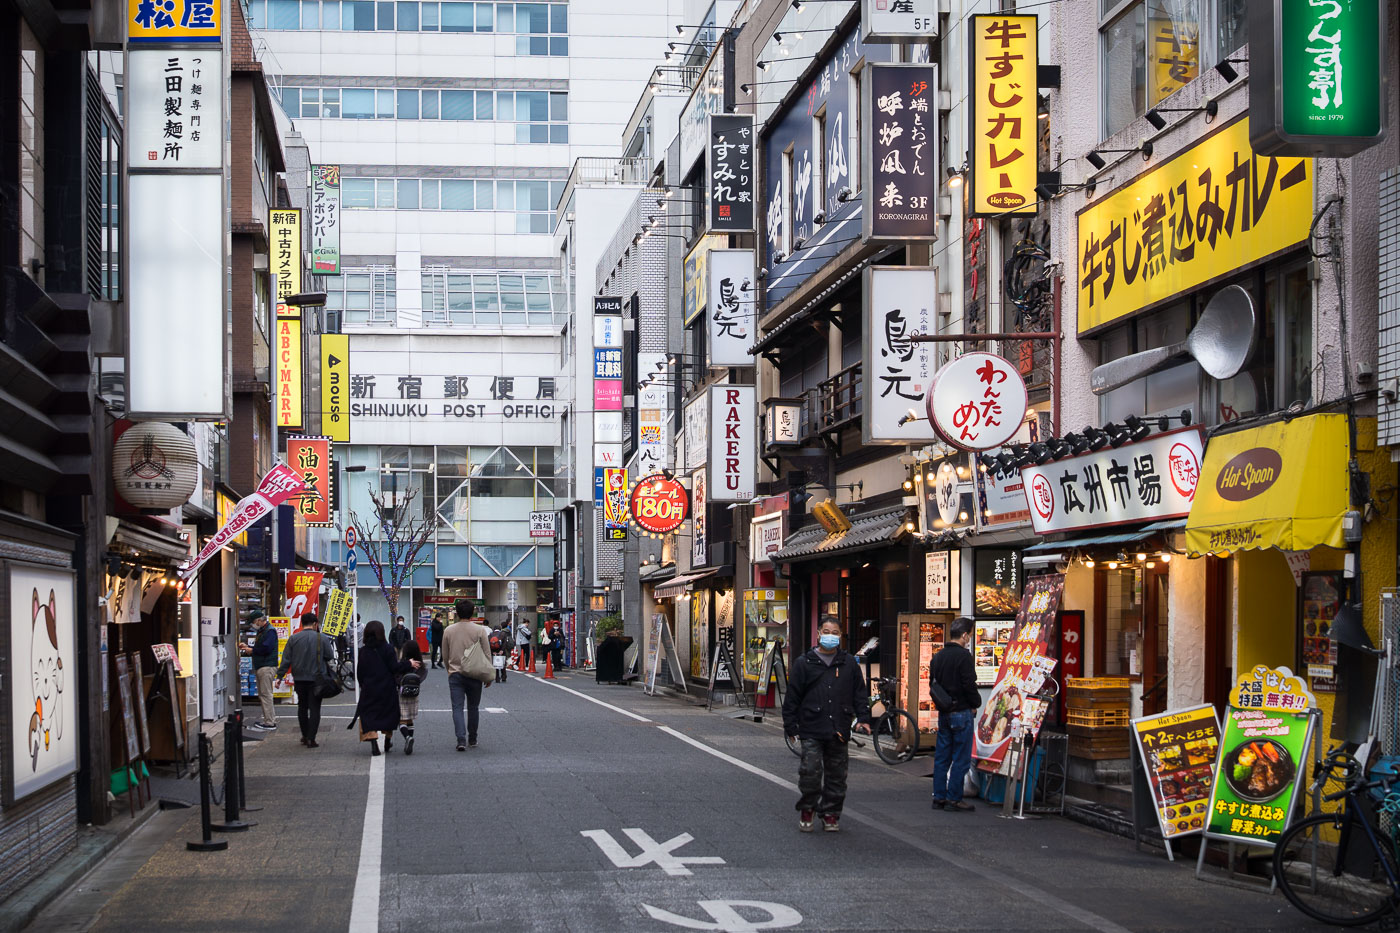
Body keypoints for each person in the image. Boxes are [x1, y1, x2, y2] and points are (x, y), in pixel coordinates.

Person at [782, 617, 871, 833]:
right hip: (811, 726)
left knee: (837, 775)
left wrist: (864, 718)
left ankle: (831, 813)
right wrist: (790, 726)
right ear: (819, 633)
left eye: (836, 632)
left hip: (839, 727)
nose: (831, 635)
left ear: (840, 636)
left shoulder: (848, 662)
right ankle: (808, 808)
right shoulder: (804, 663)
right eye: (827, 631)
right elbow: (792, 696)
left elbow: (860, 693)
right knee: (810, 771)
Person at [929, 617, 982, 813]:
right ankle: (954, 798)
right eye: (970, 634)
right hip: (961, 711)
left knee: (942, 756)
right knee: (961, 757)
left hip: (944, 712)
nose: (969, 638)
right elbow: (969, 684)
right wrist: (975, 703)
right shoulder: (964, 657)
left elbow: (932, 685)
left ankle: (939, 797)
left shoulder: (938, 656)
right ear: (965, 635)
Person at [351, 620, 420, 755]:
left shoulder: (364, 651)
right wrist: (409, 663)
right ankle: (387, 741)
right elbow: (395, 668)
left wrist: (362, 685)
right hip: (387, 688)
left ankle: (373, 741)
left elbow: (360, 672)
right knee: (388, 714)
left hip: (369, 688)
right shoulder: (387, 648)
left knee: (368, 714)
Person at [276, 612, 335, 748]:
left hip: (300, 678)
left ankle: (304, 735)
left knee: (302, 707)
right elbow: (329, 655)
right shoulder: (322, 638)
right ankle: (311, 738)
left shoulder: (293, 638)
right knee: (315, 708)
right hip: (317, 679)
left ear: (302, 623)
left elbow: (286, 659)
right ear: (315, 624)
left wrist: (280, 676)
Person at [442, 598, 493, 750]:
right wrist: (488, 674)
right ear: (472, 613)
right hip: (475, 673)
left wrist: (449, 669)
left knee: (457, 707)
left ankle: (461, 740)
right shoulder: (479, 630)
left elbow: (445, 654)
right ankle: (473, 738)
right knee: (473, 707)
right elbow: (486, 653)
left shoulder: (449, 630)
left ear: (457, 613)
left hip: (455, 673)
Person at [240, 610, 279, 731]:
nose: (253, 625)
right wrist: (249, 647)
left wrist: (252, 650)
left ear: (259, 620)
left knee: (265, 694)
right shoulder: (264, 631)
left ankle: (270, 722)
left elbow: (266, 648)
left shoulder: (269, 631)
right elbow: (263, 647)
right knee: (264, 694)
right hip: (263, 666)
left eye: (253, 622)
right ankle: (269, 720)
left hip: (266, 666)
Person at [398, 639, 427, 754]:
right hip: (414, 694)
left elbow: (397, 675)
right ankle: (410, 740)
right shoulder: (420, 665)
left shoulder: (404, 663)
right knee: (410, 719)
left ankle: (407, 738)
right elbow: (422, 676)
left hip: (402, 693)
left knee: (402, 720)